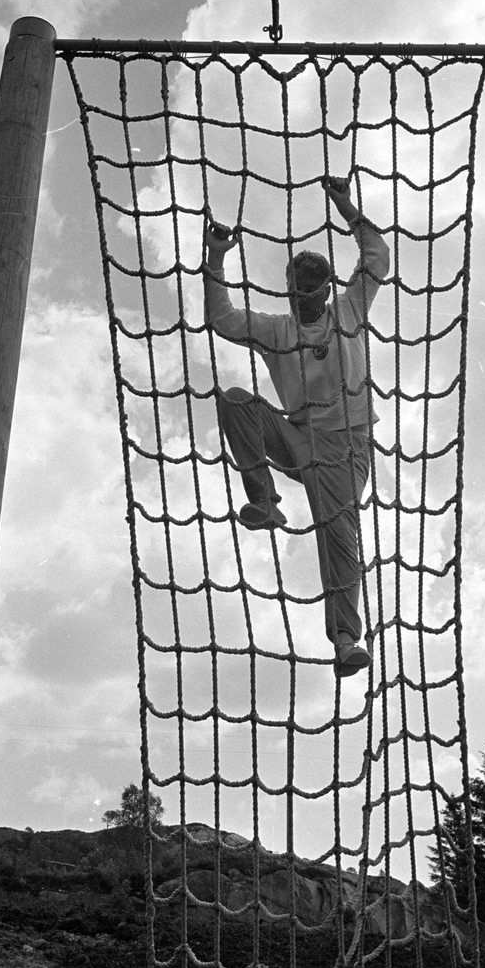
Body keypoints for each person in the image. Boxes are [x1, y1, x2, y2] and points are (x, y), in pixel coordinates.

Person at [203, 176, 390, 676]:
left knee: (338, 535)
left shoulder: (349, 309)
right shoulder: (277, 329)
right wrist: (217, 257)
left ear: (326, 291)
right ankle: (265, 500)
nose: (304, 299)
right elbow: (221, 318)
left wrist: (345, 205)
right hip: (298, 435)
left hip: (346, 450)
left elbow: (378, 259)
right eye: (297, 291)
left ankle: (346, 638)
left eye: (313, 292)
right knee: (238, 401)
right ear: (287, 290)